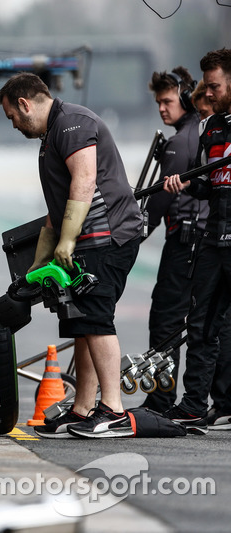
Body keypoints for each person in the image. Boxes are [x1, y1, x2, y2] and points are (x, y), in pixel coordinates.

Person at [0, 72, 143, 439]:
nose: (13, 124)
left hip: (106, 237)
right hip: (86, 240)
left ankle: (114, 411)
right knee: (80, 322)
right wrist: (38, 263)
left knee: (95, 319)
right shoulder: (52, 136)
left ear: (25, 104)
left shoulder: (73, 123)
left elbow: (84, 180)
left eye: (12, 116)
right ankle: (83, 408)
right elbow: (55, 210)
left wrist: (66, 242)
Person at [163, 48, 231, 431]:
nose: (208, 93)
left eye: (216, 86)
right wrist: (185, 183)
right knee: (202, 325)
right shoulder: (209, 126)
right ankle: (193, 405)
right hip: (212, 239)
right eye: (207, 85)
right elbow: (206, 184)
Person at [139, 67, 206, 413]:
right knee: (206, 325)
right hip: (202, 243)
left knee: (165, 321)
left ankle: (160, 399)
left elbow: (158, 204)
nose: (162, 108)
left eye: (167, 101)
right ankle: (207, 403)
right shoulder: (201, 132)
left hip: (184, 242)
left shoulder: (181, 141)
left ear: (183, 98)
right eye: (158, 103)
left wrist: (131, 235)